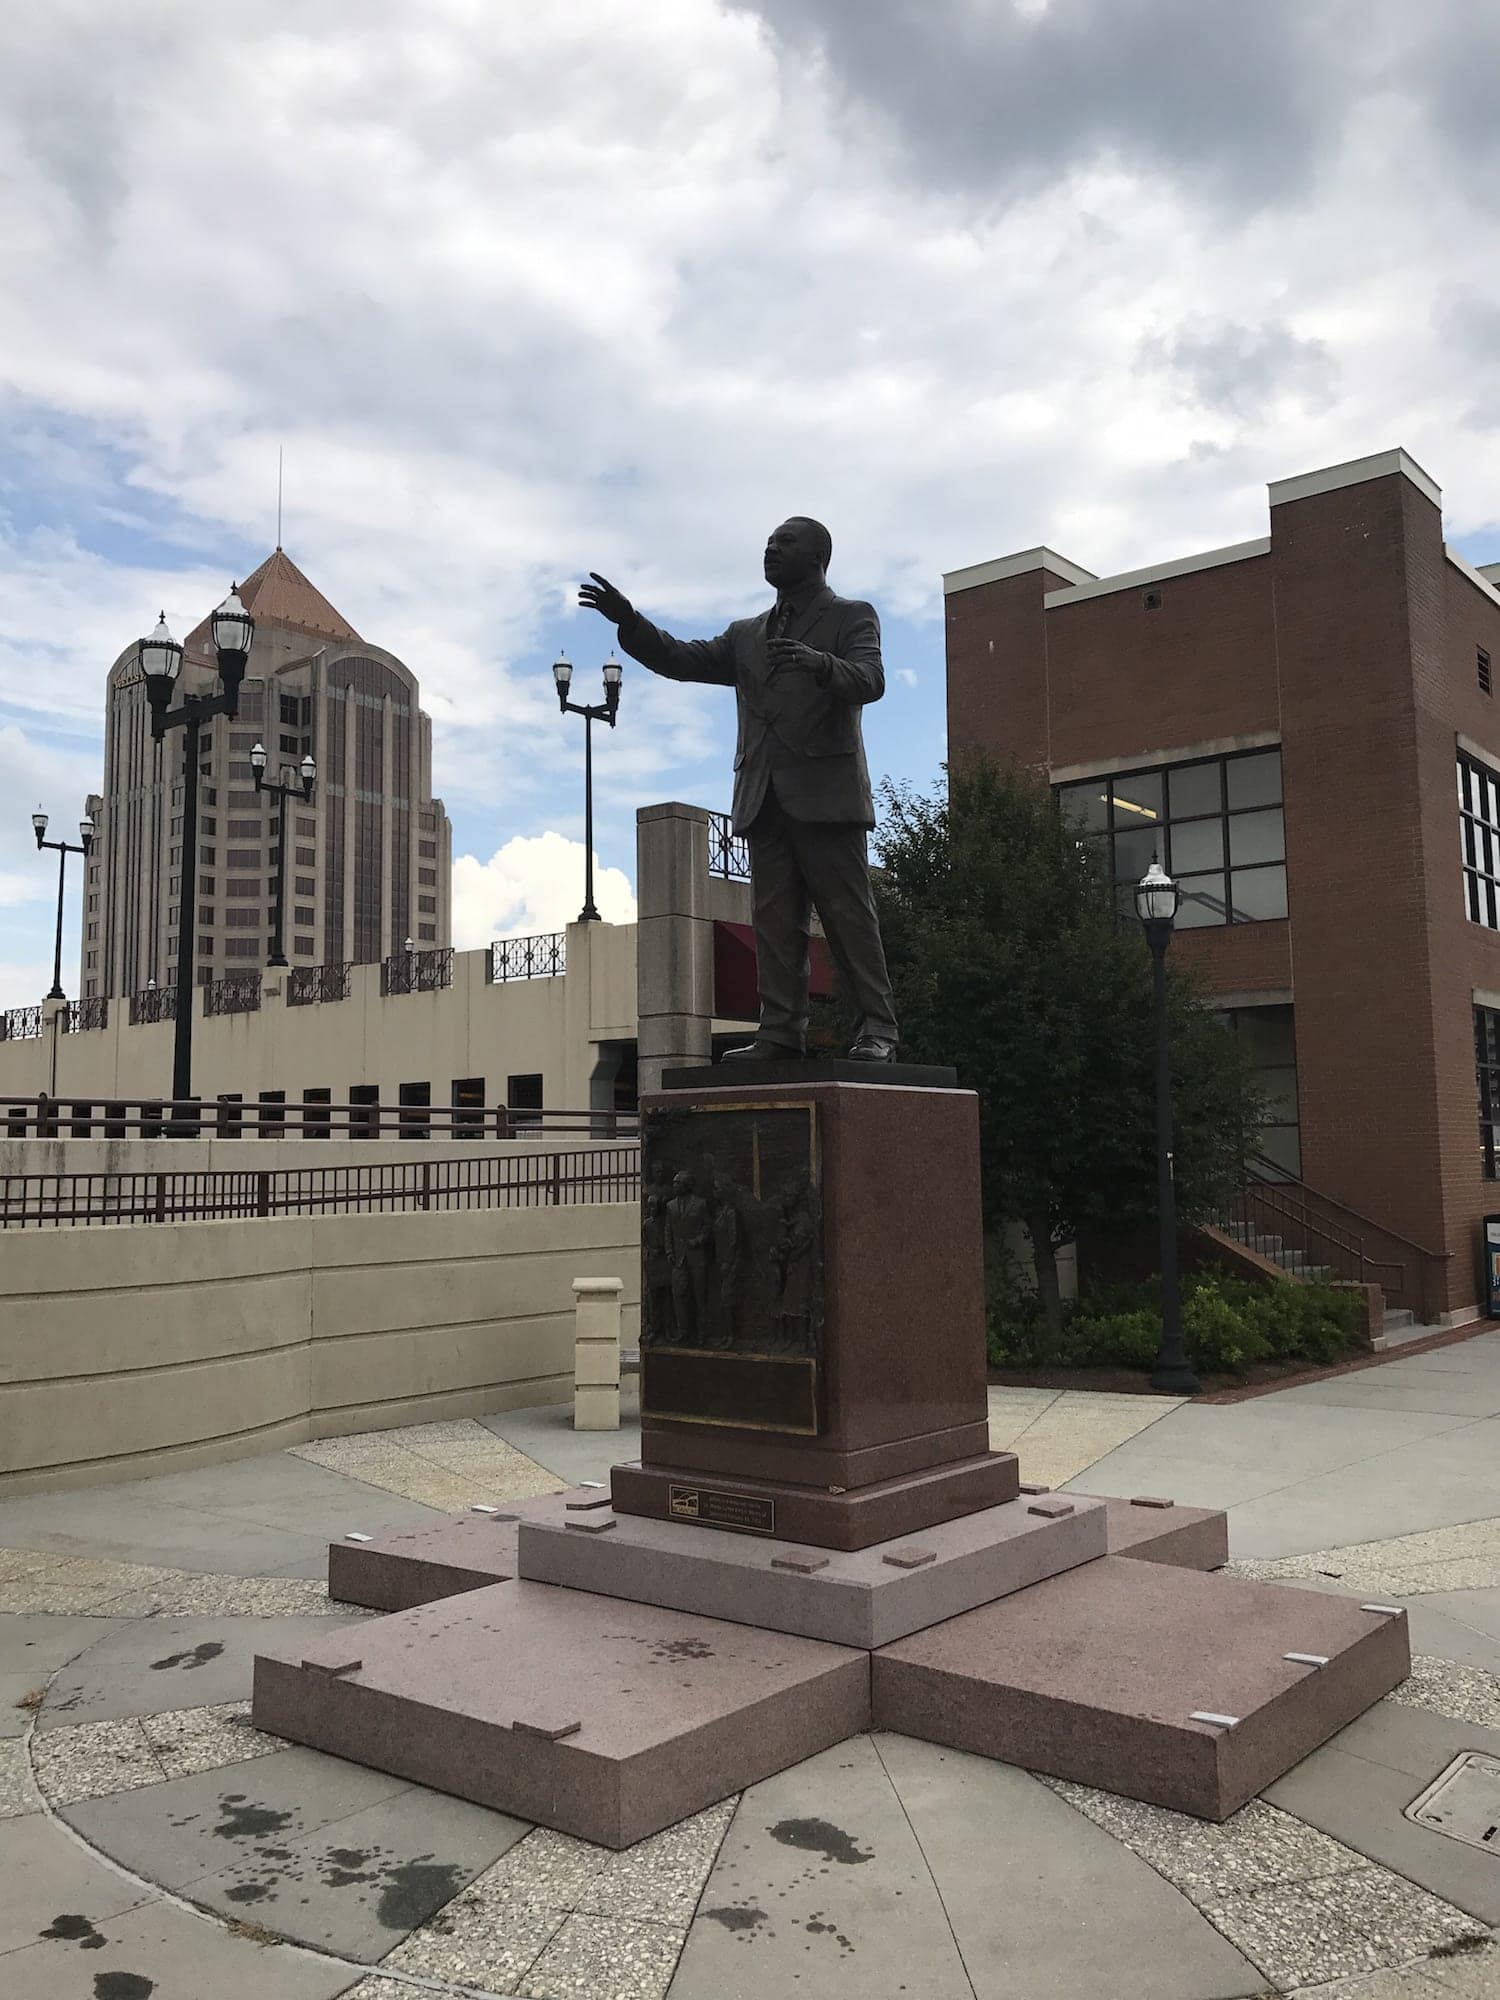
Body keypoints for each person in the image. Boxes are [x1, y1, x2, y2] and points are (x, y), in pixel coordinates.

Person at [580, 517, 898, 1061]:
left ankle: (878, 1029)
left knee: (848, 919)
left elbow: (871, 679)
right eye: (768, 542)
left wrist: (820, 663)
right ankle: (780, 1031)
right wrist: (630, 621)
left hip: (827, 796)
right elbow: (680, 659)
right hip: (763, 796)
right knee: (773, 926)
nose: (771, 548)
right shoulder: (745, 634)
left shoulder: (851, 615)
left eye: (785, 542)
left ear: (818, 556)